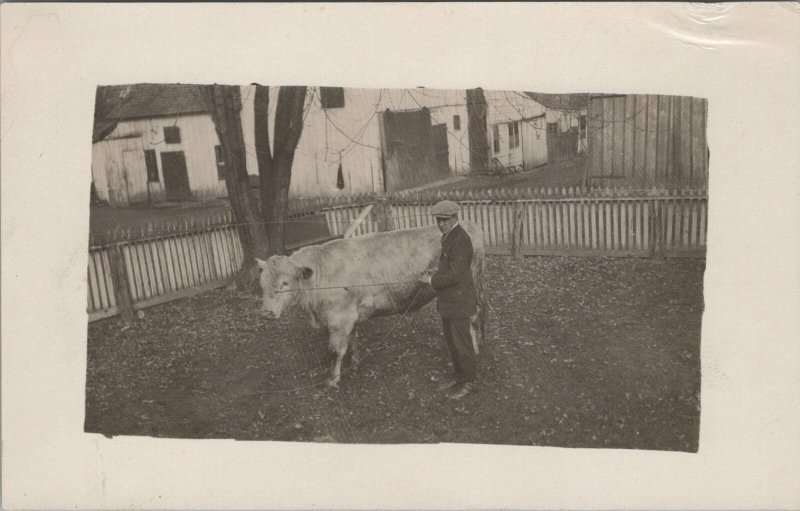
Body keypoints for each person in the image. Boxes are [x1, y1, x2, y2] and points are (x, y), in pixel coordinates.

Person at [419, 200, 478, 400]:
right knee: (452, 343)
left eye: (445, 219)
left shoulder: (460, 239)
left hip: (459, 302)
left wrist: (431, 280)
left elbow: (456, 275)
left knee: (462, 345)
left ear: (455, 218)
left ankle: (469, 382)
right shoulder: (448, 237)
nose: (441, 223)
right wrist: (436, 271)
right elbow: (451, 266)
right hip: (449, 301)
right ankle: (459, 376)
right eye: (438, 220)